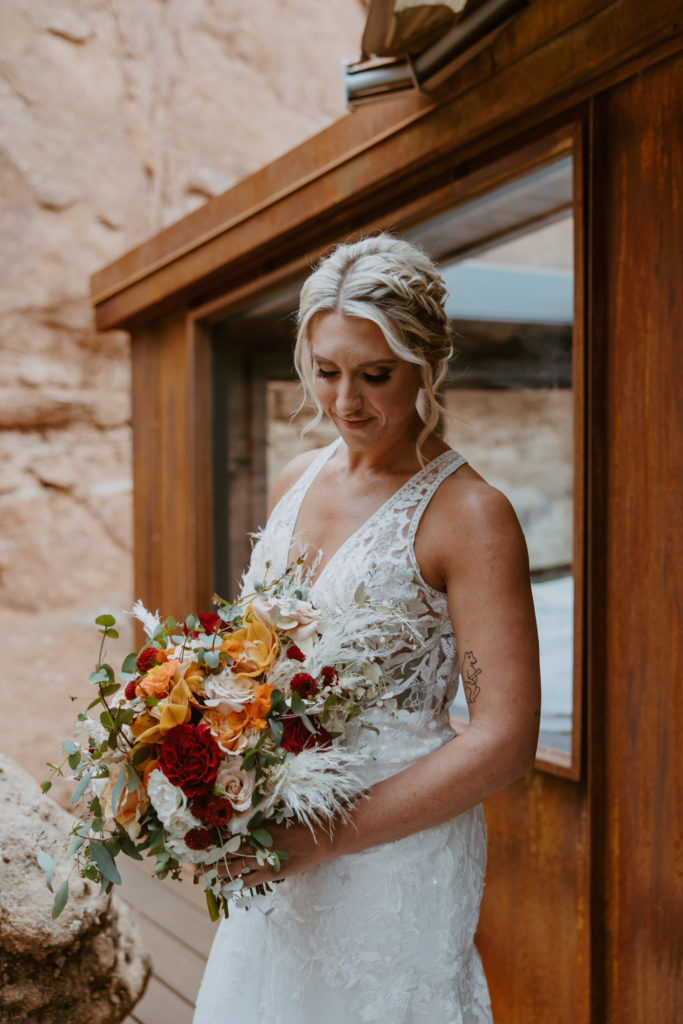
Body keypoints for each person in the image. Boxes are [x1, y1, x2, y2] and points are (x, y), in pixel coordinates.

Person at [193, 233, 541, 1023]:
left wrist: (323, 839)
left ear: (427, 363)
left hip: (394, 854)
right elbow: (254, 661)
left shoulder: (470, 516)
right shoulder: (295, 477)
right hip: (275, 834)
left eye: (374, 375)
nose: (345, 402)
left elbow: (505, 740)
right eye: (326, 372)